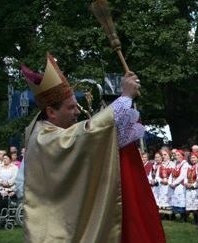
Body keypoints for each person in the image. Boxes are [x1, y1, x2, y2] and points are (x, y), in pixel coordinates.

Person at [21, 53, 164, 242]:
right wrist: (125, 97)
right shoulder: (44, 138)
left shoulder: (40, 130)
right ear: (51, 112)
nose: (78, 111)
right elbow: (88, 134)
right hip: (55, 231)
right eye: (71, 107)